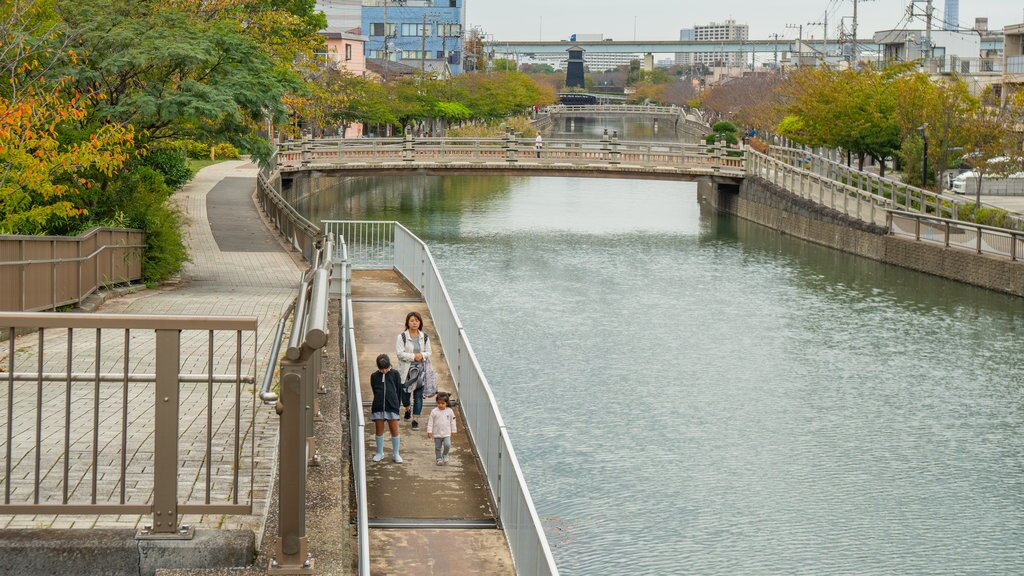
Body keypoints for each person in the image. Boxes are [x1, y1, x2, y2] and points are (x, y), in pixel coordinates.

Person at [396, 311, 432, 430]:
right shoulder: (402, 337)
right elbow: (399, 353)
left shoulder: (424, 337)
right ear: (407, 323)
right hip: (406, 371)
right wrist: (413, 356)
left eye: (416, 320)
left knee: (418, 396)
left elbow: (429, 352)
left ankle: (415, 419)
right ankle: (407, 408)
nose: (414, 323)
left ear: (420, 322)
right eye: (412, 321)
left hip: (420, 371)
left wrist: (421, 355)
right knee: (405, 396)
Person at [369, 354, 403, 463]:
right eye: (381, 369)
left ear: (389, 365)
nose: (384, 370)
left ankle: (396, 454)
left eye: (386, 368)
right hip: (378, 406)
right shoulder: (374, 376)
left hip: (392, 406)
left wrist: (397, 405)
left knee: (394, 430)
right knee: (379, 430)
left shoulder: (395, 374)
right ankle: (380, 452)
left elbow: (398, 390)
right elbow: (375, 390)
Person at [426, 391, 456, 465]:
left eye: (442, 403)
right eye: (439, 403)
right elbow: (430, 422)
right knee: (438, 447)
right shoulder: (434, 412)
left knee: (447, 445)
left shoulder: (449, 411)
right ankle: (438, 458)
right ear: (436, 402)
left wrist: (453, 430)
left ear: (447, 403)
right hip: (437, 433)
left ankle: (445, 454)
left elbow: (453, 421)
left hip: (446, 433)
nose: (440, 405)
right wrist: (429, 431)